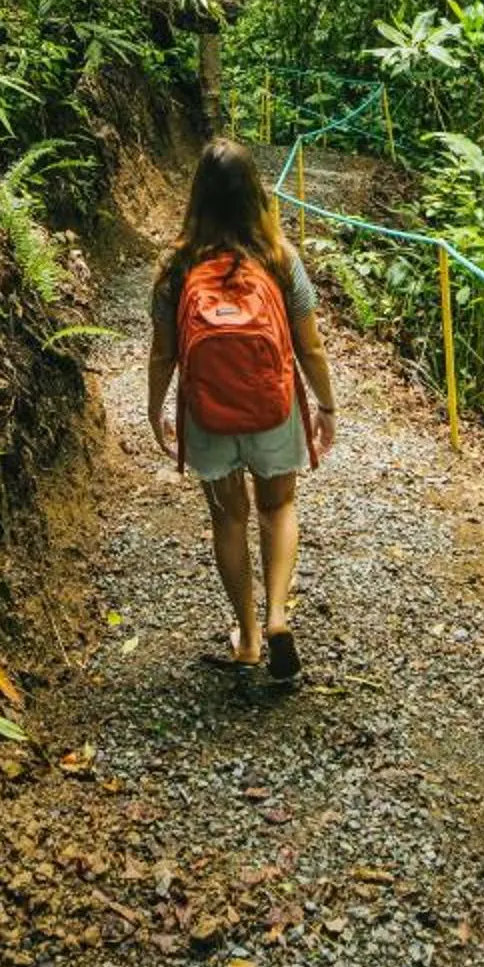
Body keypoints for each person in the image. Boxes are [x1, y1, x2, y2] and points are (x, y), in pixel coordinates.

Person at [146, 136, 339, 682]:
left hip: (207, 412)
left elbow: (163, 352)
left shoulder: (178, 265)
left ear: (197, 197)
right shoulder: (280, 258)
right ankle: (279, 615)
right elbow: (310, 346)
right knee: (277, 507)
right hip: (271, 404)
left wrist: (157, 410)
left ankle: (249, 638)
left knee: (228, 516)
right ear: (256, 192)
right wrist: (326, 406)